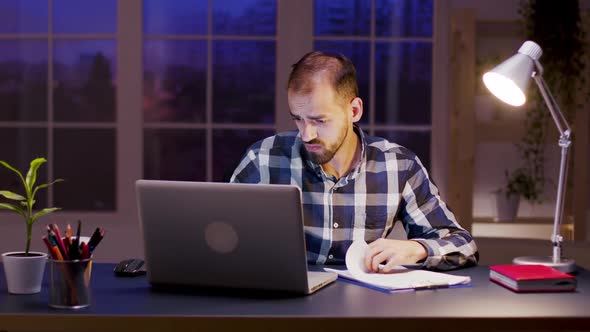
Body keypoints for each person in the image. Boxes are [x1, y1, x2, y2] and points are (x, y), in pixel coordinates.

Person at [230, 51, 478, 271]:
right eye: (298, 119)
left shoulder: (398, 165)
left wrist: (417, 249)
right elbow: (220, 238)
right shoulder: (263, 159)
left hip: (364, 311)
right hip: (283, 310)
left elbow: (463, 244)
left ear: (354, 111)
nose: (306, 134)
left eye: (319, 120)